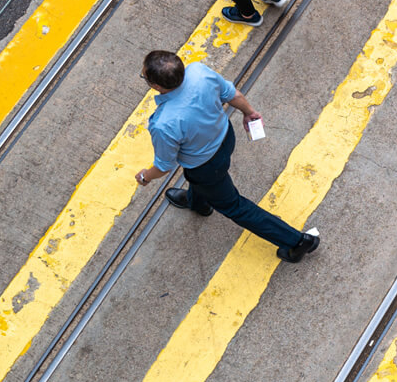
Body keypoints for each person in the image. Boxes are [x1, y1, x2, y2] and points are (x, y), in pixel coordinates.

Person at [134, 50, 319, 263]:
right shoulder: (198, 71)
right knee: (203, 182)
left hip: (205, 166)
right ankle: (198, 203)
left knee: (234, 206)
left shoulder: (163, 123)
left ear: (156, 86)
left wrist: (145, 177)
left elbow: (164, 165)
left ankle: (297, 241)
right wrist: (248, 112)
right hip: (225, 138)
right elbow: (232, 94)